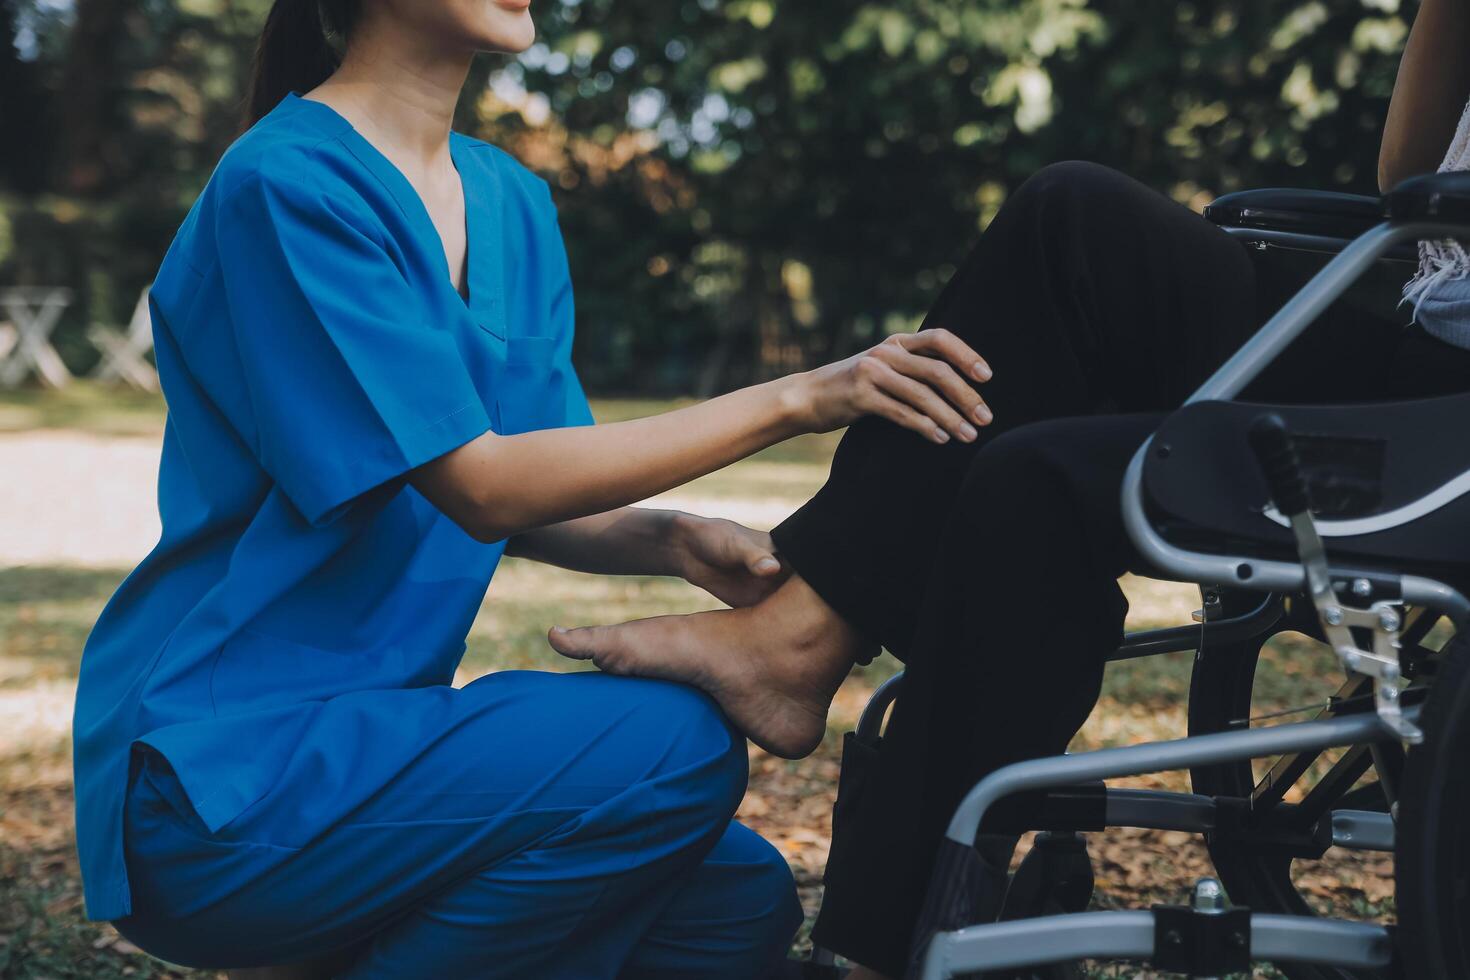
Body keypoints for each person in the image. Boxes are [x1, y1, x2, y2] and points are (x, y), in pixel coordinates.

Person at [71, 1, 999, 977]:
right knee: (674, 747)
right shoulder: (287, 184)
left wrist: (674, 539)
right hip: (220, 777)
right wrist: (803, 395)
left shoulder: (510, 202)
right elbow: (481, 484)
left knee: (732, 903)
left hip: (376, 746)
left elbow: (541, 465)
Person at [548, 0, 1470, 976]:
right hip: (1406, 324)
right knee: (1074, 217)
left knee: (1037, 481)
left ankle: (870, 930)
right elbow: (1406, 182)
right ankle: (803, 635)